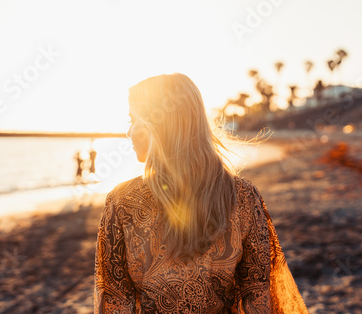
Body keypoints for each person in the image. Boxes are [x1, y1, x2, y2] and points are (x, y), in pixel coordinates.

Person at [94, 73, 308, 313]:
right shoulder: (244, 196)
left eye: (134, 120)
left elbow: (115, 303)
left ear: (157, 126)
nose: (128, 132)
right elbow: (258, 299)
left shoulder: (122, 202)